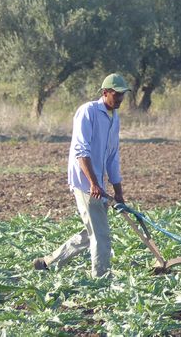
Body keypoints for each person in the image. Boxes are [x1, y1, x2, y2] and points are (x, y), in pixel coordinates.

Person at [33, 73, 130, 277]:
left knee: (91, 232)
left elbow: (112, 156)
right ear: (105, 93)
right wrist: (94, 183)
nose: (120, 98)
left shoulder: (115, 117)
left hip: (99, 184)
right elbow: (81, 151)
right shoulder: (88, 112)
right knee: (101, 234)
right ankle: (101, 278)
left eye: (123, 94)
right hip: (86, 183)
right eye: (117, 94)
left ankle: (48, 263)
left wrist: (118, 191)